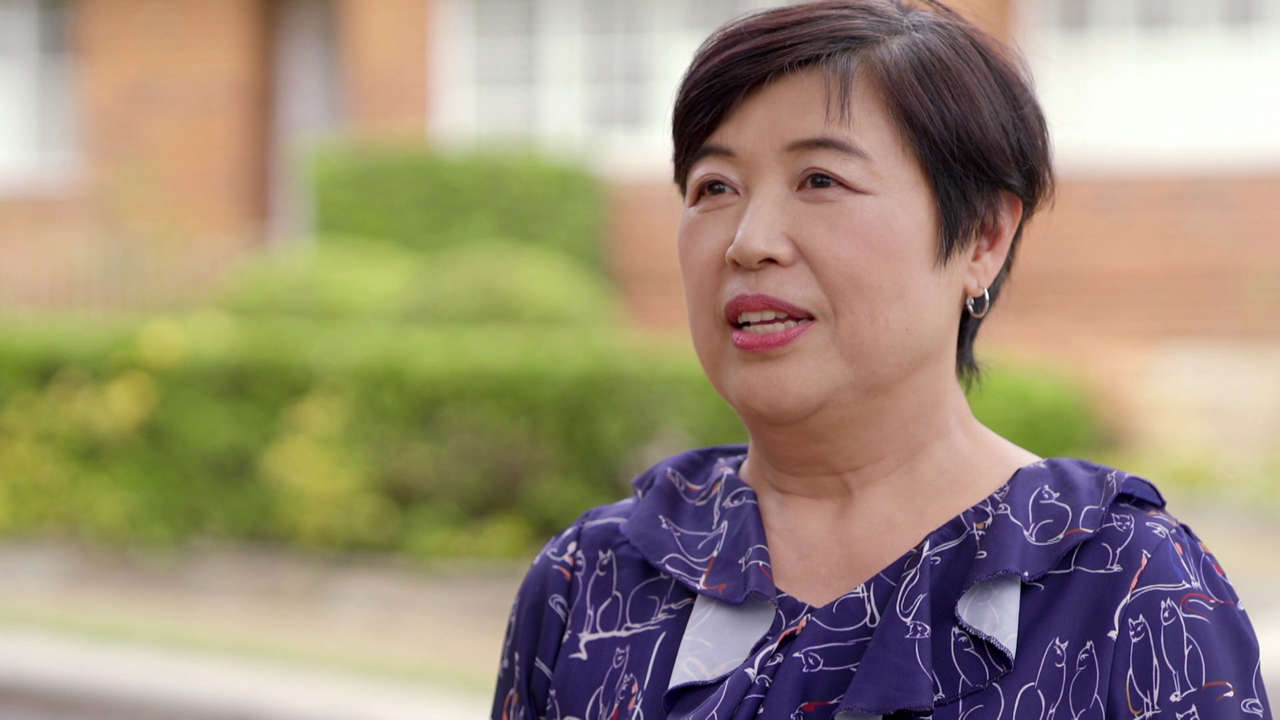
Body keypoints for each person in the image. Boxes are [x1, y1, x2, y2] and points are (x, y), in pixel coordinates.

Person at [491, 1, 1273, 718]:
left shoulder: (1127, 584)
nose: (749, 242)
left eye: (820, 179)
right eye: (714, 186)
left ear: (983, 238)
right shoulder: (593, 579)